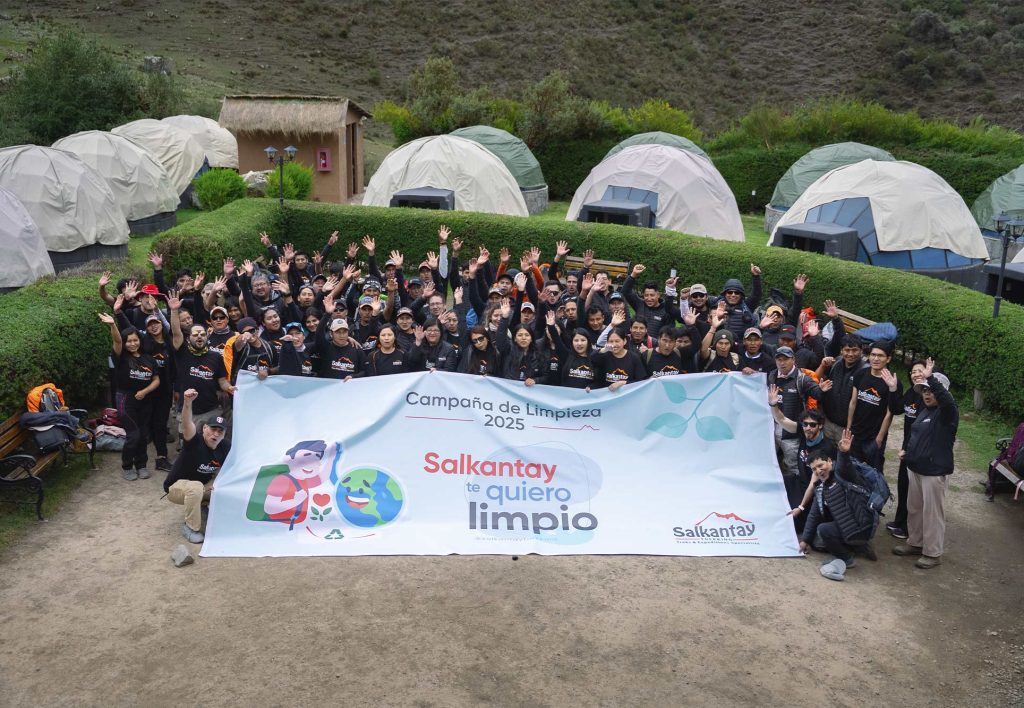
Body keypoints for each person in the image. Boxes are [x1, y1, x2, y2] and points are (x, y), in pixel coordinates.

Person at [893, 359, 958, 569]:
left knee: (932, 514)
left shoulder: (948, 412)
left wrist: (930, 378)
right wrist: (908, 453)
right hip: (916, 468)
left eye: (930, 391)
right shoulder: (925, 411)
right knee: (915, 509)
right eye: (924, 391)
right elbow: (918, 437)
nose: (927, 395)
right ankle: (915, 542)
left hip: (934, 472)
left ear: (941, 392)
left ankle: (933, 553)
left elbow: (946, 401)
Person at [799, 429, 879, 582]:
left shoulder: (844, 474)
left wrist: (843, 452)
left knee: (823, 531)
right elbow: (814, 514)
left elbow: (845, 465)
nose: (819, 470)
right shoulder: (820, 487)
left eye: (821, 465)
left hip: (862, 525)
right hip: (849, 526)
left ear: (829, 461)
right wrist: (805, 540)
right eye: (814, 469)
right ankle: (859, 546)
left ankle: (847, 558)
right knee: (817, 542)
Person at [163, 388, 230, 544]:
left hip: (202, 487)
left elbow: (235, 468)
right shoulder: (194, 441)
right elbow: (187, 424)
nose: (216, 434)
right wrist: (187, 403)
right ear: (205, 428)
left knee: (224, 488)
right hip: (176, 489)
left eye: (221, 431)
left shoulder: (225, 447)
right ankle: (190, 528)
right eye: (213, 429)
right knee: (195, 487)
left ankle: (203, 507)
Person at [99, 313, 161, 481]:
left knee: (143, 435)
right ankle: (127, 466)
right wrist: (113, 325)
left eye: (135, 340)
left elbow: (156, 380)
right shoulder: (121, 357)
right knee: (133, 435)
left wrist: (145, 391)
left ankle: (141, 465)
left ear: (139, 340)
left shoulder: (148, 359)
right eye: (129, 341)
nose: (132, 344)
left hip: (145, 400)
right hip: (126, 400)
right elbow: (117, 341)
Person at [887, 360, 927, 539]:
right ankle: (899, 521)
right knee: (903, 485)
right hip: (907, 447)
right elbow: (896, 409)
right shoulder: (912, 392)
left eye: (920, 371)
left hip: (919, 450)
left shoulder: (929, 395)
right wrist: (894, 389)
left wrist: (911, 449)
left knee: (913, 491)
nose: (916, 374)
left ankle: (908, 528)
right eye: (912, 372)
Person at [846, 341, 903, 471]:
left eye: (881, 356)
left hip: (873, 437)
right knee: (853, 471)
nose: (876, 358)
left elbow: (890, 413)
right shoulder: (860, 374)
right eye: (873, 354)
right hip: (855, 433)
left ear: (888, 359)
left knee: (874, 475)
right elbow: (853, 402)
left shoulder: (893, 383)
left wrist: (879, 439)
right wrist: (849, 428)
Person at [591, 327, 648, 391]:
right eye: (611, 341)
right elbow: (591, 359)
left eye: (617, 341)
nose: (614, 344)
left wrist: (624, 382)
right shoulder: (604, 356)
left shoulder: (634, 358)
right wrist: (604, 350)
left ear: (624, 341)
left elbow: (641, 381)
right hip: (606, 396)